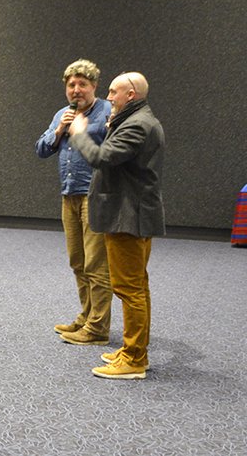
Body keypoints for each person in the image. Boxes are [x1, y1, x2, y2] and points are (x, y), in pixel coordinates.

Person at [68, 71, 164, 380]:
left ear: (130, 95)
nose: (109, 97)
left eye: (113, 91)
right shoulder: (134, 120)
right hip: (129, 213)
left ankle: (134, 359)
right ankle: (134, 350)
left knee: (129, 289)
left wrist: (79, 133)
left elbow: (101, 158)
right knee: (137, 287)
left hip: (128, 216)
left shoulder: (137, 124)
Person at [35, 59, 113, 347]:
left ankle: (98, 329)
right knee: (77, 262)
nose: (76, 90)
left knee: (96, 264)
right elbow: (40, 149)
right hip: (69, 195)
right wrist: (59, 132)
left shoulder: (107, 112)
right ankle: (87, 315)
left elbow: (113, 152)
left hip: (96, 197)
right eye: (71, 85)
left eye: (82, 84)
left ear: (94, 85)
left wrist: (83, 132)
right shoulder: (62, 114)